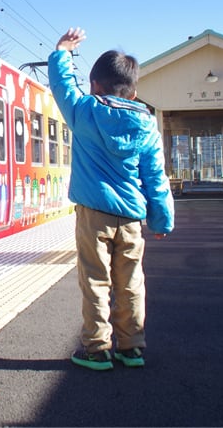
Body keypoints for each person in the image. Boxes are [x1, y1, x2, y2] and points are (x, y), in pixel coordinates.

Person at [48, 27, 174, 371]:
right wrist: (161, 220)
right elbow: (156, 177)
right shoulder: (147, 126)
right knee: (131, 282)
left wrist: (62, 51)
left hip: (93, 215)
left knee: (94, 280)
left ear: (94, 86)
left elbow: (62, 85)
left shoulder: (84, 111)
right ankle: (131, 348)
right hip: (131, 218)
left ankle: (97, 348)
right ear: (133, 92)